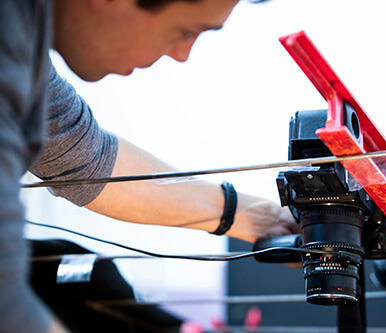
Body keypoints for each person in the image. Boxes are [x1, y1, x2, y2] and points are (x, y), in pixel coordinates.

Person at [0, 0, 299, 332]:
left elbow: (84, 156)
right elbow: (8, 307)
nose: (183, 54)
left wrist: (264, 219)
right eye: (186, 31)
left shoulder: (25, 36)